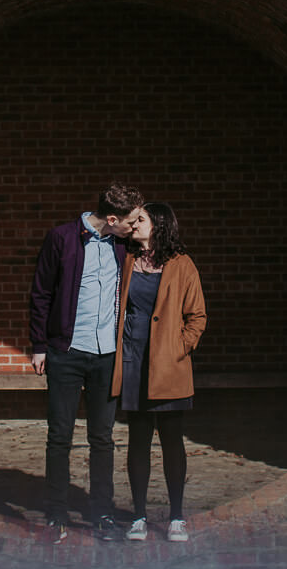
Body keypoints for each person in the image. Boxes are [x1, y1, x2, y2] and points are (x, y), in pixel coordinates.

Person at [29, 182, 145, 544]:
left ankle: (102, 514)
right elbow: (41, 292)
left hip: (106, 354)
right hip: (66, 351)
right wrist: (39, 345)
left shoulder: (123, 245)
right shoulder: (61, 239)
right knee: (59, 436)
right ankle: (56, 513)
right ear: (112, 219)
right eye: (131, 221)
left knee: (102, 438)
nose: (135, 226)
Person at [111, 202, 207, 543]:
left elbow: (197, 316)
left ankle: (176, 517)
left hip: (169, 365)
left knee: (171, 441)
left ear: (160, 226)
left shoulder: (182, 264)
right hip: (133, 361)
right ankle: (138, 516)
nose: (134, 225)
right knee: (138, 440)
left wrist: (179, 347)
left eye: (141, 220)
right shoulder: (126, 259)